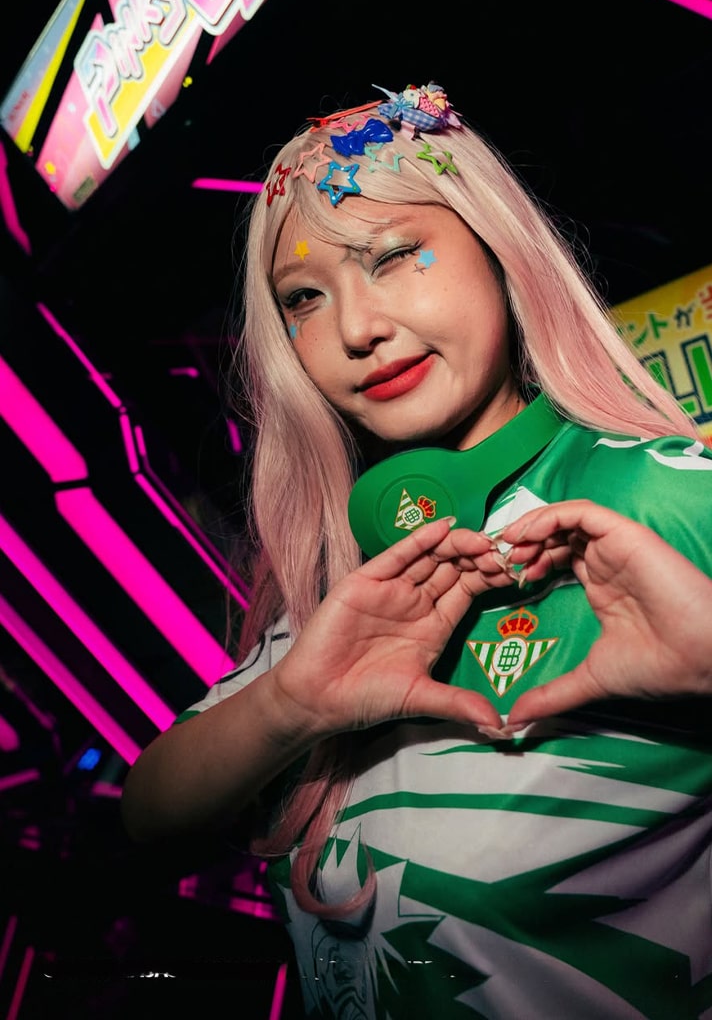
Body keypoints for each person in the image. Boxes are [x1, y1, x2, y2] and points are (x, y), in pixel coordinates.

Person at [121, 82, 712, 1018]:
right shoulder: (357, 564)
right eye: (304, 298)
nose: (356, 328)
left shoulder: (667, 492)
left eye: (395, 255)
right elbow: (147, 820)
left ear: (499, 249)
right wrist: (291, 705)